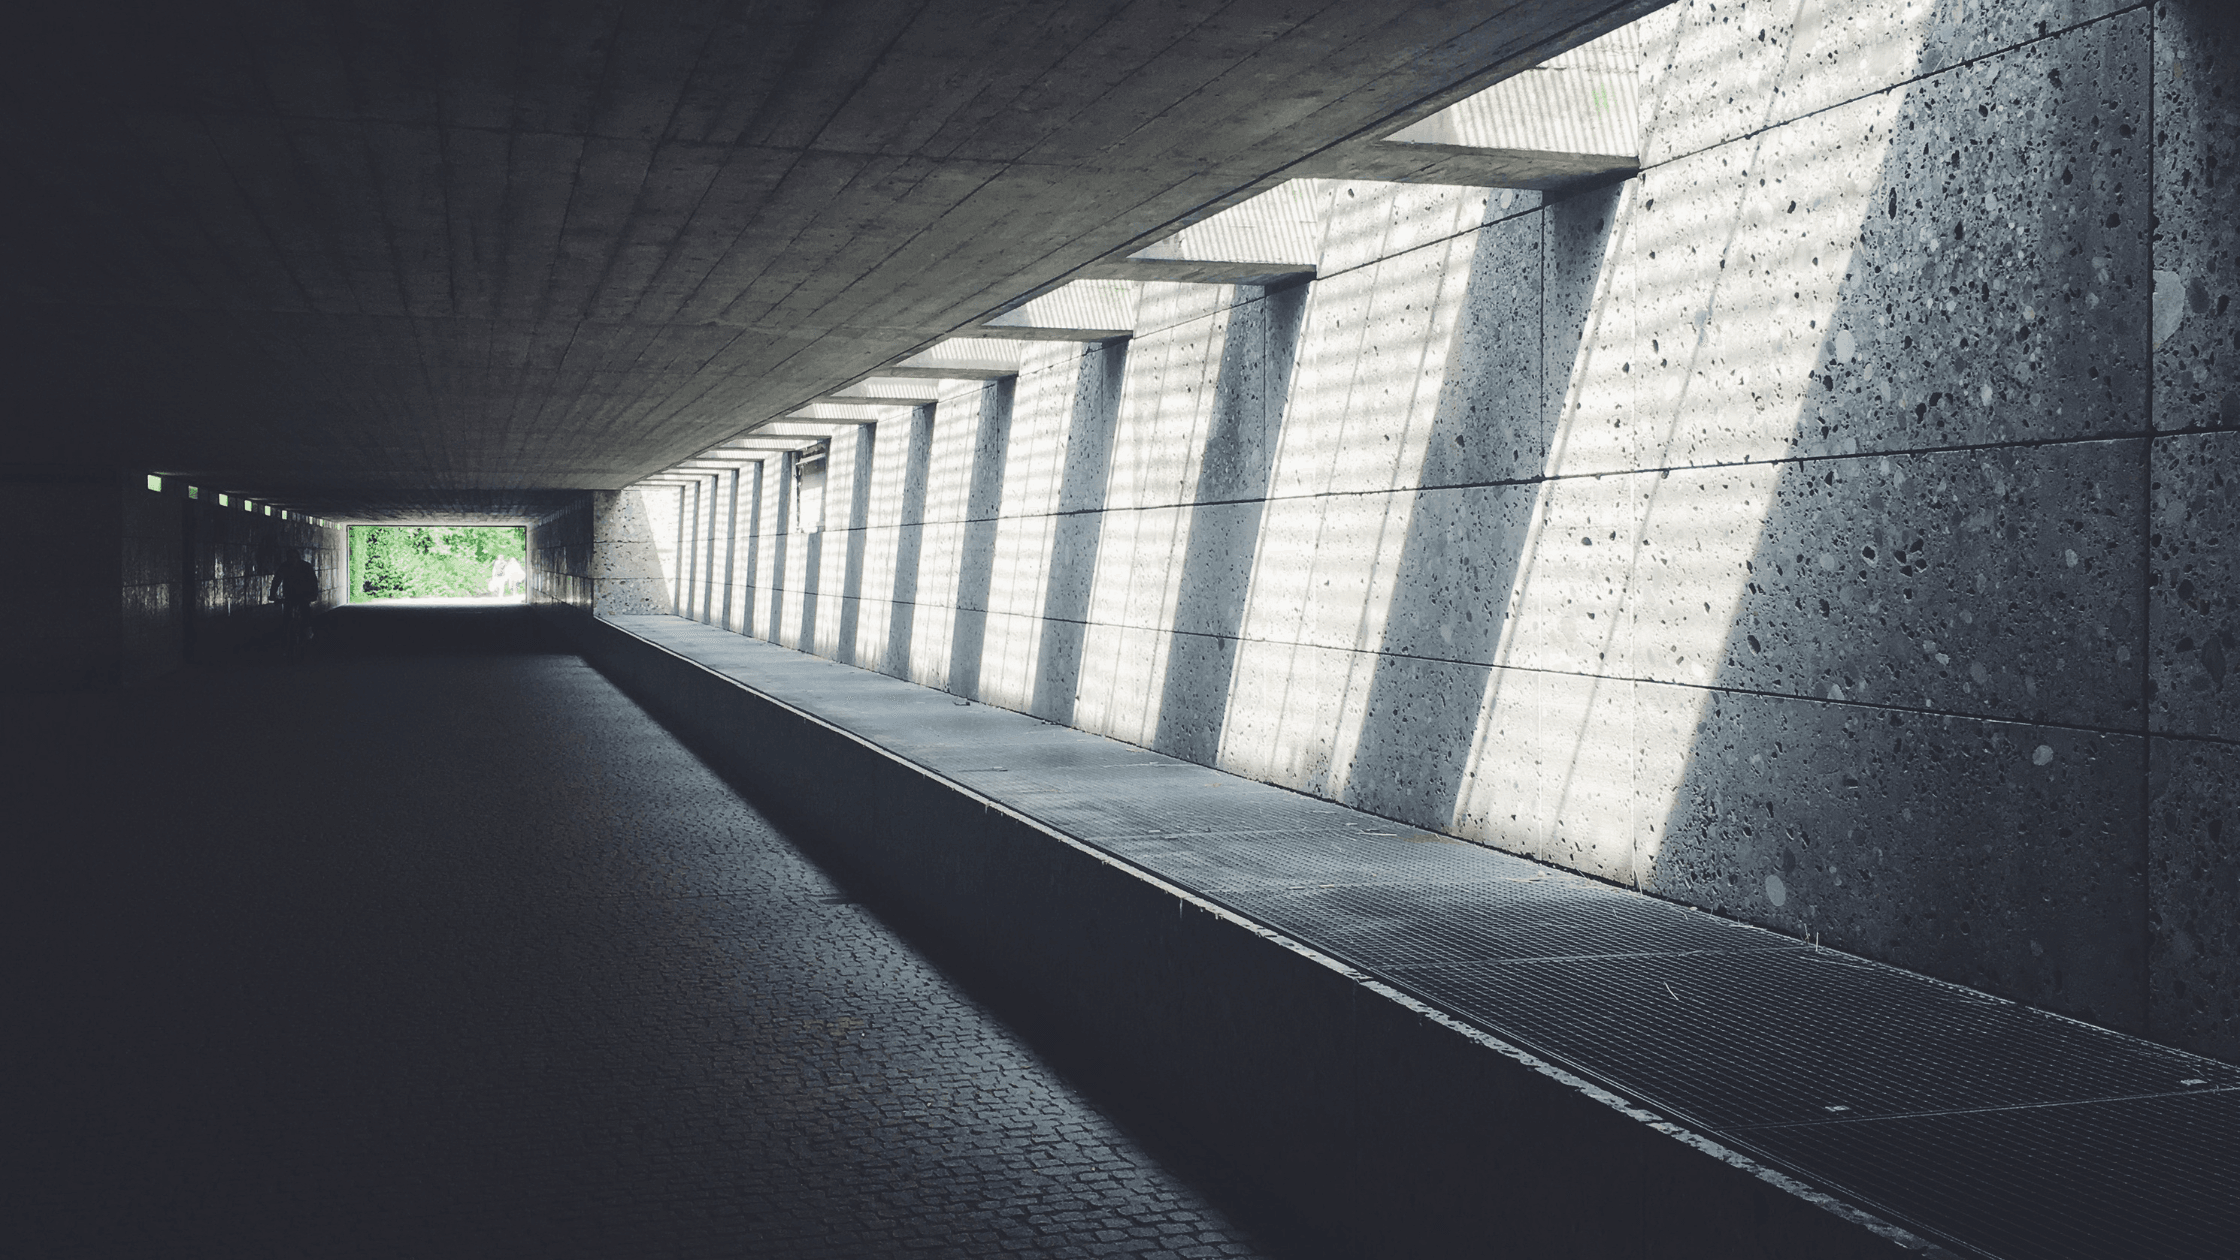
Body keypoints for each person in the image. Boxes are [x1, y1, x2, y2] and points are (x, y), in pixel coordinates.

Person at [269, 548, 321, 651]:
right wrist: (272, 594)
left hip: (304, 595)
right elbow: (277, 580)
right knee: (287, 618)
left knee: (305, 613)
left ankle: (307, 631)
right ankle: (286, 642)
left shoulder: (306, 567)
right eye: (290, 558)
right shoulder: (284, 567)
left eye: (294, 557)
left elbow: (313, 582)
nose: (292, 560)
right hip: (290, 595)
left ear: (298, 558)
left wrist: (313, 594)